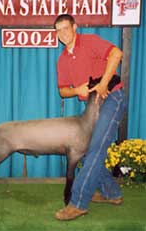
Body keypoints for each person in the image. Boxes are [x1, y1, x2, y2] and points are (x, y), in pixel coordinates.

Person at [54, 14, 127, 221]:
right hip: (92, 105)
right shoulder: (62, 60)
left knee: (95, 148)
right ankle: (112, 193)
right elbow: (62, 91)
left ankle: (78, 202)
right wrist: (76, 89)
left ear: (75, 27)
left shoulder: (90, 41)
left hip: (112, 97)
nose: (62, 34)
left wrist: (103, 83)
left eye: (65, 28)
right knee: (86, 149)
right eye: (58, 30)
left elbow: (116, 53)